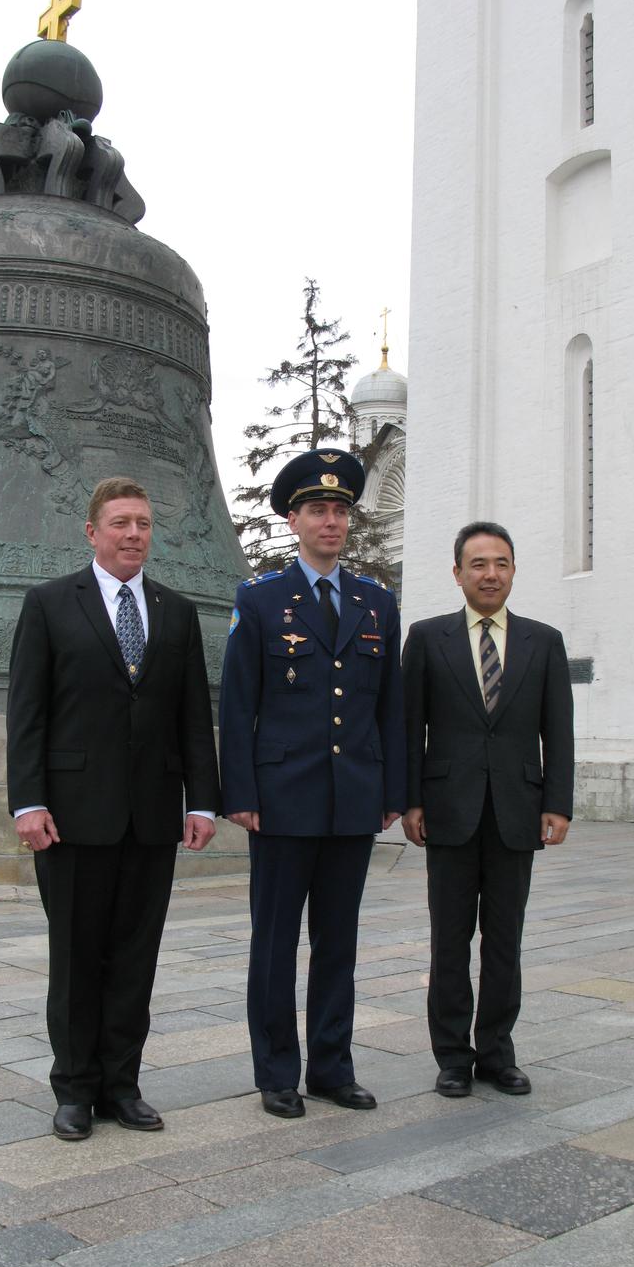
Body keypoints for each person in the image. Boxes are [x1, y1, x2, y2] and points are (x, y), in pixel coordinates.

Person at [6, 476, 219, 1140]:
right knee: (75, 957)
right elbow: (28, 714)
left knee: (134, 957)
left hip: (153, 817)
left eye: (144, 523)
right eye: (121, 522)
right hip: (71, 816)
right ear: (93, 532)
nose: (134, 534)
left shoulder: (177, 613)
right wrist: (28, 802)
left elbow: (193, 717)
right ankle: (73, 1089)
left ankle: (122, 1086)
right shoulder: (48, 605)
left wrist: (203, 803)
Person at [219, 448, 405, 1119]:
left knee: (338, 943)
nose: (331, 522)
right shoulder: (261, 600)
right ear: (293, 520)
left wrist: (392, 791)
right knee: (274, 944)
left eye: (340, 510)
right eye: (317, 510)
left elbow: (391, 706)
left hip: (352, 798)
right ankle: (276, 1072)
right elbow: (238, 704)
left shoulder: (376, 603)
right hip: (282, 800)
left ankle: (331, 1066)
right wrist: (239, 794)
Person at [402, 521, 574, 1099]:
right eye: (478, 564)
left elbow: (560, 731)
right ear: (457, 574)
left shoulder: (543, 641)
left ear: (513, 571)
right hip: (448, 811)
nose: (490, 574)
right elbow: (410, 729)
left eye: (500, 563)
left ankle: (497, 1052)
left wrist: (558, 803)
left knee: (505, 939)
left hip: (516, 812)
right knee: (449, 939)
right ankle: (452, 1055)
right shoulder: (428, 639)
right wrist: (411, 800)